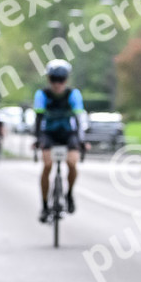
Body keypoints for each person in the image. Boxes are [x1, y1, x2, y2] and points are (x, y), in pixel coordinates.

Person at [33, 60, 86, 221]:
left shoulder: (73, 94)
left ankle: (69, 194)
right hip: (48, 133)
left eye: (61, 80)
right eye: (54, 79)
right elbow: (38, 119)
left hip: (68, 133)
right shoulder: (42, 94)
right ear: (49, 79)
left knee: (72, 163)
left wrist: (81, 141)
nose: (57, 84)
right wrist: (37, 139)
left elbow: (79, 119)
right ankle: (44, 206)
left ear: (66, 80)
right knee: (47, 165)